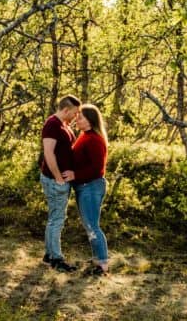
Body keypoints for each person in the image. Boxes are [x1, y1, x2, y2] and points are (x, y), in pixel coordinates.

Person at [63, 103, 109, 276]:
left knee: (92, 226)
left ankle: (102, 264)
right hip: (85, 187)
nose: (77, 119)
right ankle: (98, 259)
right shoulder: (84, 136)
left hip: (91, 186)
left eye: (80, 117)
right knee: (89, 225)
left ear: (90, 120)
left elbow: (97, 169)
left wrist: (75, 175)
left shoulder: (95, 139)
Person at [40, 94, 81, 272]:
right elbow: (49, 153)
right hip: (54, 179)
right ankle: (57, 259)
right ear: (65, 110)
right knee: (57, 220)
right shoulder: (52, 124)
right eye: (74, 112)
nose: (76, 116)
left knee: (54, 218)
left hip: (59, 179)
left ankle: (49, 255)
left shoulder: (63, 125)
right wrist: (58, 177)